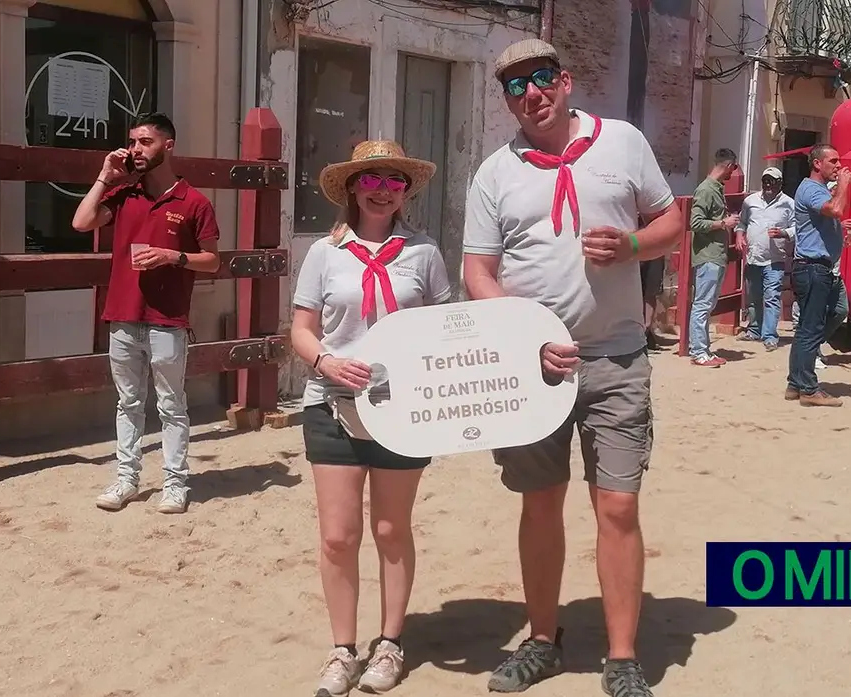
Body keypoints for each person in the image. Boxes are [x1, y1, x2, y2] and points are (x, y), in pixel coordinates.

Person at [461, 38, 683, 697]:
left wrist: (635, 244)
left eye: (542, 78)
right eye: (516, 86)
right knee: (540, 502)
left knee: (617, 504)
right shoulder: (493, 173)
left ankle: (621, 657)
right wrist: (525, 336)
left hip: (616, 358)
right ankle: (541, 639)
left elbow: (673, 221)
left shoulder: (622, 143)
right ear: (507, 101)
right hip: (533, 373)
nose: (532, 93)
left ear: (567, 79)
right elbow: (478, 270)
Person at [289, 140, 452, 696]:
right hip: (331, 406)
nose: (383, 190)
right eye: (373, 179)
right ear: (353, 188)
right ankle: (342, 648)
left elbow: (444, 330)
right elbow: (302, 329)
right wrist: (327, 361)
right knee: (338, 535)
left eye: (394, 181)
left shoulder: (425, 252)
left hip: (404, 410)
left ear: (406, 191)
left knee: (390, 528)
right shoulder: (324, 253)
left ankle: (390, 641)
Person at [71, 112, 220, 514]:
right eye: (133, 142)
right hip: (122, 315)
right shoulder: (124, 194)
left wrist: (174, 256)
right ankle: (126, 480)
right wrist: (106, 175)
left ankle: (175, 483)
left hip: (167, 320)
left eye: (145, 142)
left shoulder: (194, 202)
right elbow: (81, 221)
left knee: (172, 405)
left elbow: (213, 261)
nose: (136, 149)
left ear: (167, 146)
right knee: (127, 403)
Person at [786, 144, 851, 407]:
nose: (839, 166)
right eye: (834, 161)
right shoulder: (811, 189)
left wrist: (839, 229)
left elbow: (829, 216)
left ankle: (796, 382)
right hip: (813, 268)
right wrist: (845, 185)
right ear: (817, 164)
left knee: (835, 311)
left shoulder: (816, 190)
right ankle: (807, 388)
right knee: (810, 328)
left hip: (820, 267)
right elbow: (835, 209)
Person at [686, 149, 740, 367]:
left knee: (707, 305)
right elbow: (695, 223)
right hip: (707, 256)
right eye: (733, 168)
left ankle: (704, 350)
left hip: (715, 255)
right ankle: (698, 352)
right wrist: (723, 223)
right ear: (728, 165)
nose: (733, 173)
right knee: (702, 305)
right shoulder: (707, 190)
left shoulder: (715, 189)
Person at [735, 167, 795, 352]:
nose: (768, 185)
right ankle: (754, 329)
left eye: (772, 181)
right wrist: (739, 235)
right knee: (753, 296)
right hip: (753, 257)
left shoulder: (789, 203)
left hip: (774, 259)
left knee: (771, 297)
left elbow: (797, 227)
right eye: (765, 181)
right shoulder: (750, 201)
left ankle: (769, 336)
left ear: (780, 183)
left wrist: (783, 233)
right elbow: (742, 222)